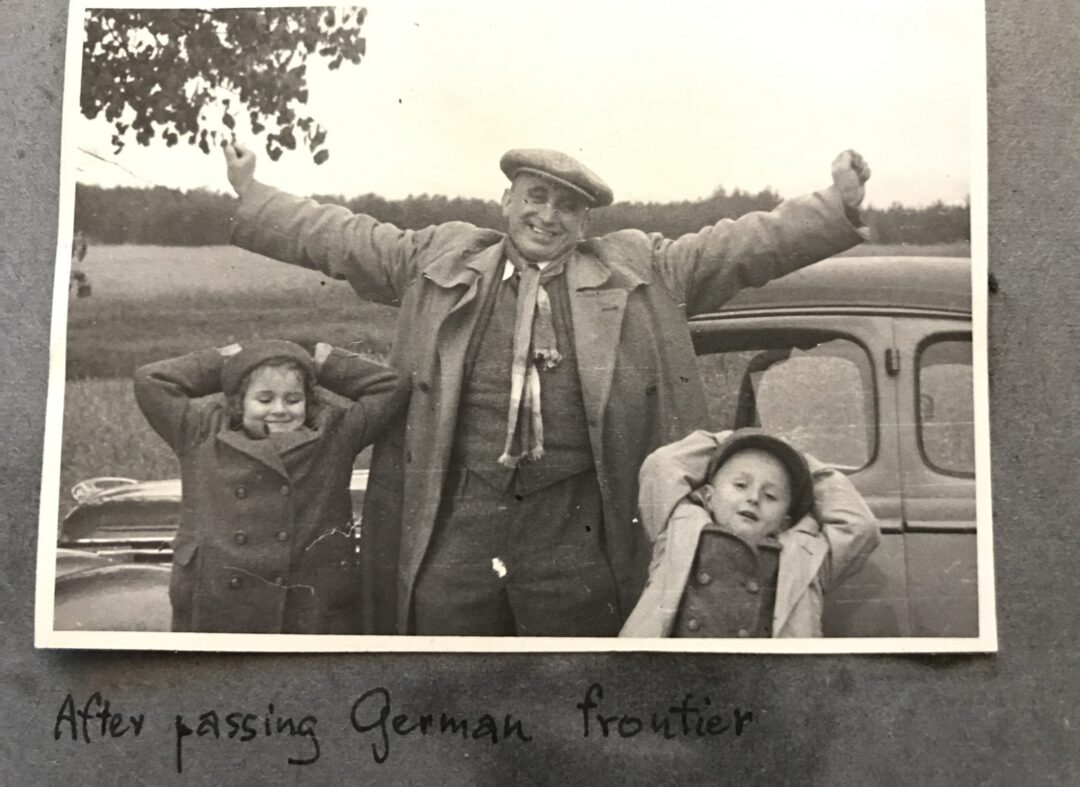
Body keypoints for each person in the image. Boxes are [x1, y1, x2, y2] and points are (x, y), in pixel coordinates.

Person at [223, 143, 872, 636]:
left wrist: (833, 206)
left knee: (573, 674)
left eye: (566, 205)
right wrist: (252, 190)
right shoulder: (440, 258)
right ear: (508, 202)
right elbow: (342, 235)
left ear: (584, 221)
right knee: (440, 659)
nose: (547, 214)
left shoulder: (637, 268)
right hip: (457, 520)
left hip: (574, 528)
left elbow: (739, 246)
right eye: (535, 196)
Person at [134, 340, 407, 634]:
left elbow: (392, 386)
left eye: (293, 399)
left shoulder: (335, 433)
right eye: (264, 399)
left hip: (307, 601)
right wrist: (225, 361)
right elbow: (151, 381)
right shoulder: (200, 432)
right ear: (239, 402)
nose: (279, 410)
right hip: (217, 596)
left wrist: (323, 363)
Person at [620, 428, 879, 638]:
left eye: (771, 495)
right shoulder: (679, 526)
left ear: (784, 521)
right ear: (709, 498)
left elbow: (860, 525)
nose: (753, 498)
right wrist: (736, 437)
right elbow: (662, 465)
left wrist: (804, 462)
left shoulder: (805, 557)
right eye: (740, 485)